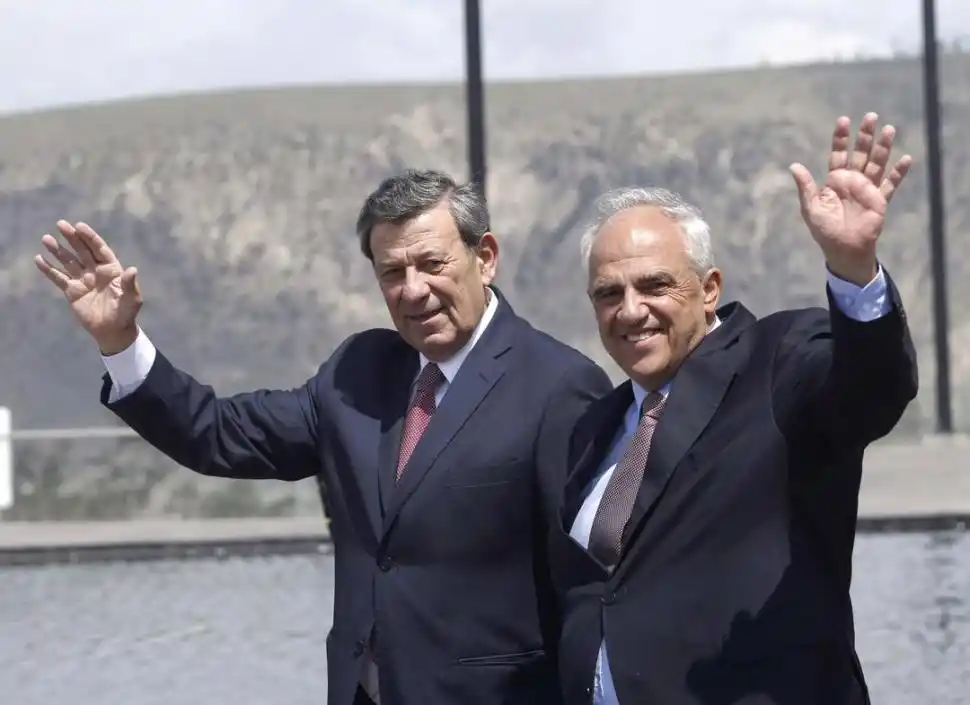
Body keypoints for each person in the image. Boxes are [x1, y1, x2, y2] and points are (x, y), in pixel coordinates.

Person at [34, 169, 613, 705]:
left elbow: (589, 589)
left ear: (484, 258)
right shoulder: (358, 373)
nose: (413, 290)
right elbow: (218, 434)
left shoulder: (557, 386)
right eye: (392, 273)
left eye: (431, 264)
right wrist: (120, 342)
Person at [549, 113, 918, 705]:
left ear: (709, 289)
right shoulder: (594, 429)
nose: (631, 310)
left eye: (654, 286)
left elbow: (871, 390)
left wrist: (854, 270)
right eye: (609, 294)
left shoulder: (778, 363)